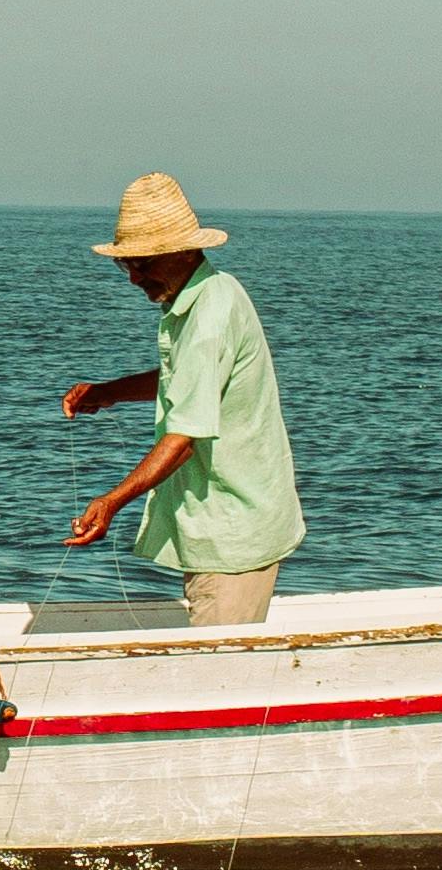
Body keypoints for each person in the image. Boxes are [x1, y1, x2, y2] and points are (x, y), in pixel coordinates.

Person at [59, 170, 305, 623]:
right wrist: (108, 392)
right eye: (126, 264)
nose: (134, 277)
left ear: (186, 250)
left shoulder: (208, 317)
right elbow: (189, 377)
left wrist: (110, 503)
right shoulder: (214, 292)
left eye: (145, 263)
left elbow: (183, 438)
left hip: (233, 532)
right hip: (226, 521)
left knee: (220, 670)